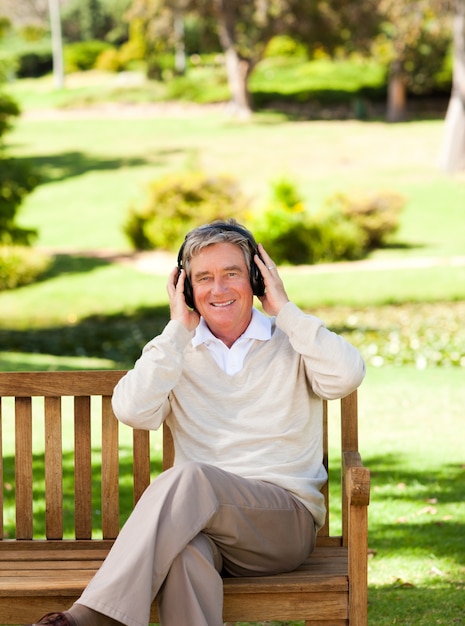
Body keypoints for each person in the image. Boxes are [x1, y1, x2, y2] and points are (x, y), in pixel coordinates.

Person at [31, 219, 365, 626]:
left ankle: (94, 618)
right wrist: (176, 333)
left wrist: (285, 310)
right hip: (204, 528)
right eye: (203, 278)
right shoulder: (176, 353)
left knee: (190, 478)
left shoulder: (293, 342)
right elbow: (133, 411)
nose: (218, 289)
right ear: (186, 288)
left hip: (282, 524)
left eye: (232, 274)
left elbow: (347, 375)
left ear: (257, 279)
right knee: (185, 557)